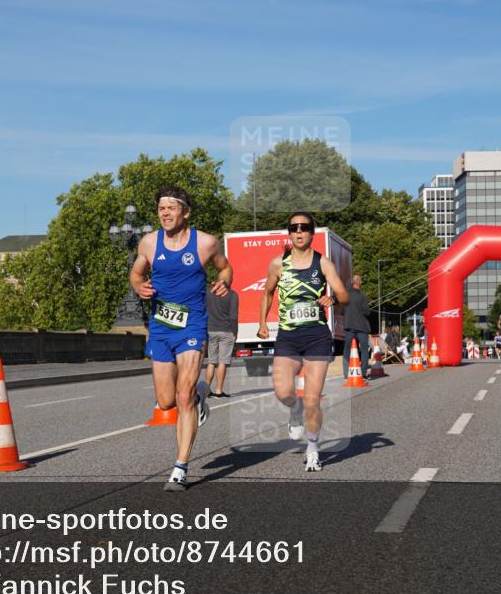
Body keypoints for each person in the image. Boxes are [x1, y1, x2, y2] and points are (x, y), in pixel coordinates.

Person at [130, 186, 233, 492]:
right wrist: (139, 287)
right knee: (166, 402)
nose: (165, 213)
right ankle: (202, 392)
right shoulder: (149, 243)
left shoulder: (205, 243)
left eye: (171, 208)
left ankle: (180, 467)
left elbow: (225, 268)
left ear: (185, 212)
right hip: (161, 328)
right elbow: (136, 274)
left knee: (183, 397)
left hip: (192, 326)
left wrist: (224, 282)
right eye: (161, 208)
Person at [258, 212, 349, 473]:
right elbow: (267, 292)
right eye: (294, 228)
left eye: (305, 227)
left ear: (311, 232)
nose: (299, 232)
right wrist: (262, 322)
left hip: (317, 336)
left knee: (312, 399)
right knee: (284, 392)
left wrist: (333, 297)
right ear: (289, 233)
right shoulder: (278, 264)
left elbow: (344, 295)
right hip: (288, 337)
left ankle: (312, 449)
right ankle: (293, 410)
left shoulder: (323, 264)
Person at [205, 283, 239, 398]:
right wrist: (235, 332)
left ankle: (206, 390)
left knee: (211, 361)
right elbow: (233, 316)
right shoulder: (232, 295)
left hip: (211, 330)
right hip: (226, 331)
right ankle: (219, 391)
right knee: (222, 362)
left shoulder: (208, 294)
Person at [341, 274, 371, 379]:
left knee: (347, 350)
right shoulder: (363, 296)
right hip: (362, 327)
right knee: (363, 350)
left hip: (349, 326)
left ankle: (346, 373)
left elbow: (342, 311)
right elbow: (367, 312)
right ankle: (362, 373)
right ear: (360, 283)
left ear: (352, 283)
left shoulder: (346, 295)